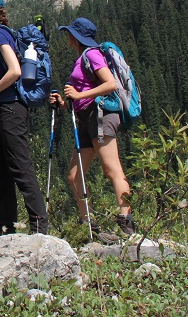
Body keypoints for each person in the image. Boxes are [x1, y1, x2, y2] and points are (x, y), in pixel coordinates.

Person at [0, 0, 48, 235]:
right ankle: (6, 228)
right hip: (4, 107)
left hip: (10, 107)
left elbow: (14, 70)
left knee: (19, 166)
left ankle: (39, 227)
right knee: (2, 171)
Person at [49, 17, 134, 235]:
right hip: (86, 118)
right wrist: (63, 101)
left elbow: (110, 84)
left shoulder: (91, 54)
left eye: (69, 32)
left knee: (112, 169)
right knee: (74, 176)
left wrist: (78, 94)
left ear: (77, 36)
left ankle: (126, 222)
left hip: (100, 116)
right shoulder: (81, 58)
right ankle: (89, 224)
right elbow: (81, 97)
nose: (67, 36)